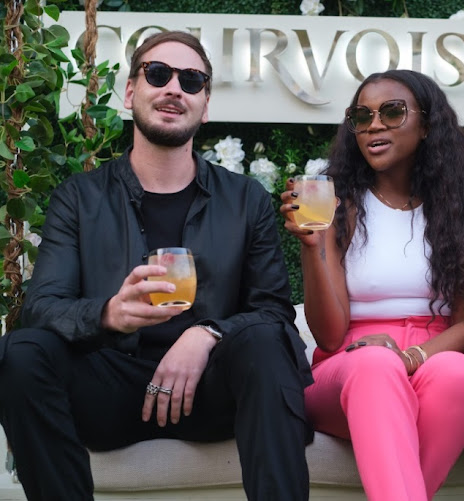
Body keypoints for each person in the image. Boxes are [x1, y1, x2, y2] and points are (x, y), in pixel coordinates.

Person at [0, 31, 312, 500]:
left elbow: (273, 313)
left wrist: (206, 334)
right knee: (20, 351)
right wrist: (109, 314)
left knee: (265, 341)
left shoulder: (246, 199)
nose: (174, 89)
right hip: (109, 389)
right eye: (158, 74)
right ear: (130, 92)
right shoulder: (80, 198)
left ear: (205, 106)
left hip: (210, 392)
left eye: (191, 81)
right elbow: (42, 308)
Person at [280, 69, 464, 501]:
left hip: (433, 355)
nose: (374, 124)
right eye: (362, 116)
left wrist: (412, 356)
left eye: (392, 112)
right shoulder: (340, 205)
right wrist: (313, 247)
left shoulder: (459, 207)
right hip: (350, 365)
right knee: (376, 364)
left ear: (427, 124)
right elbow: (330, 335)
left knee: (459, 374)